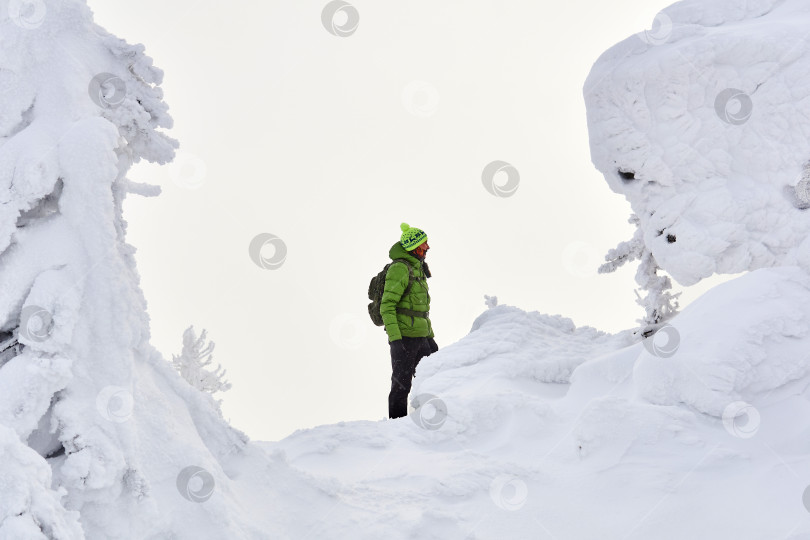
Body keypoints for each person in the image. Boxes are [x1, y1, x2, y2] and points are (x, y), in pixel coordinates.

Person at [381, 223, 439, 419]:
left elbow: (422, 310)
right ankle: (397, 429)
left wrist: (430, 338)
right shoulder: (400, 269)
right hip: (404, 339)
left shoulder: (418, 268)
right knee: (401, 385)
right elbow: (386, 306)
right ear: (414, 247)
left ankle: (431, 420)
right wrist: (395, 340)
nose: (428, 248)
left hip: (422, 337)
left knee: (436, 377)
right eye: (424, 245)